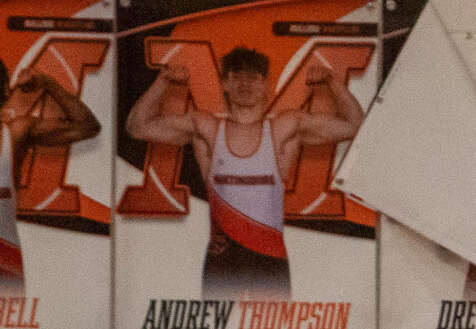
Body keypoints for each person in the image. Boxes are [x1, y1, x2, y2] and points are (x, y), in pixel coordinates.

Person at [123, 46, 363, 299]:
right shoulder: (207, 128)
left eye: (253, 77)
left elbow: (356, 126)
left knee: (270, 327)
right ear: (225, 84)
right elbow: (137, 127)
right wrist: (163, 80)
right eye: (236, 76)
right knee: (218, 325)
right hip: (223, 260)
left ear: (265, 85)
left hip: (269, 259)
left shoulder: (283, 129)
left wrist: (331, 81)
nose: (245, 84)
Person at [1, 72, 102, 294]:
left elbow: (87, 125)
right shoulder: (16, 132)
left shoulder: (16, 132)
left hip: (4, 252)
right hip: (6, 250)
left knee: (9, 313)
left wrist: (48, 83)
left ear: (7, 93)